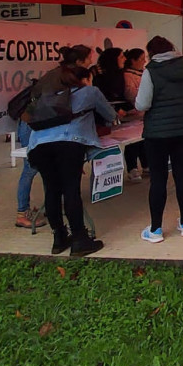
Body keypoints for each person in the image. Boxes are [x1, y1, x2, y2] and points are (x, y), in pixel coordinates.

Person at [25, 60, 117, 256]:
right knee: (71, 189)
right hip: (69, 144)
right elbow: (110, 115)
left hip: (38, 146)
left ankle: (59, 239)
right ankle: (80, 239)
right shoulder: (89, 92)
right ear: (84, 79)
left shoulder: (47, 95)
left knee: (51, 190)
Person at [14, 44, 92, 229]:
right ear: (79, 62)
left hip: (41, 123)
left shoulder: (61, 73)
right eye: (89, 58)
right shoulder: (65, 76)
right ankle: (22, 212)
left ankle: (53, 210)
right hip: (33, 123)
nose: (92, 61)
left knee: (51, 175)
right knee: (30, 168)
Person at [136, 35, 183, 243]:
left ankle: (156, 229)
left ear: (152, 52)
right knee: (182, 174)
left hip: (157, 133)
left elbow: (142, 104)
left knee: (158, 178)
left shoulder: (151, 70)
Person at [122, 48, 149, 182]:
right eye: (141, 59)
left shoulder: (144, 73)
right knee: (132, 143)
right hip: (133, 112)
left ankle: (146, 164)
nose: (144, 61)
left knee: (144, 140)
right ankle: (132, 168)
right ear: (133, 61)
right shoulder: (127, 75)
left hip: (145, 113)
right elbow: (130, 93)